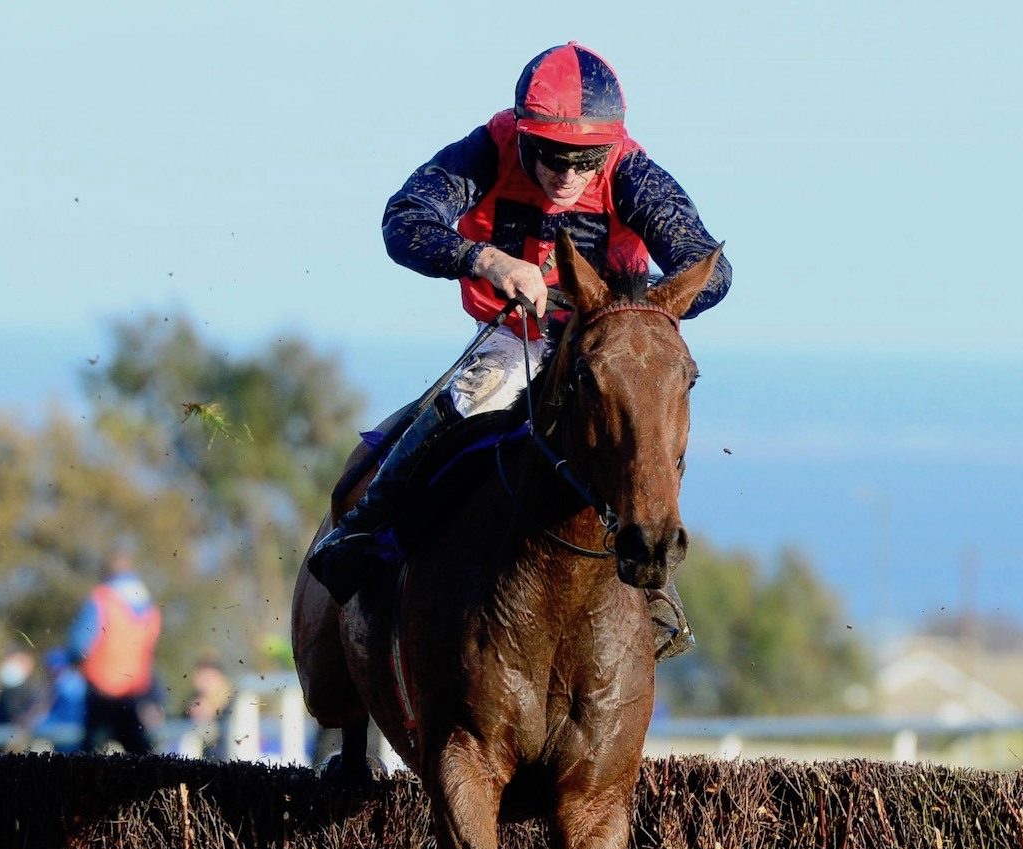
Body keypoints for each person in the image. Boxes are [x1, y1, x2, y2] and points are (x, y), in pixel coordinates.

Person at [305, 43, 731, 658]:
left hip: (607, 343)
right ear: (523, 137)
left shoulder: (634, 172)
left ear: (608, 148)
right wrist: (483, 258)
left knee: (643, 428)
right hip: (517, 339)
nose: (568, 173)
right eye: (552, 155)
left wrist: (632, 310)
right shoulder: (486, 151)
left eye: (585, 160)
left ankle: (658, 587)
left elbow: (712, 273)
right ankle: (367, 529)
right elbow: (404, 219)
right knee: (462, 401)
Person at [69, 554, 161, 756]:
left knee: (90, 756)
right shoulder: (148, 606)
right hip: (136, 691)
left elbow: (78, 645)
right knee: (140, 754)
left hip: (102, 689)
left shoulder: (102, 599)